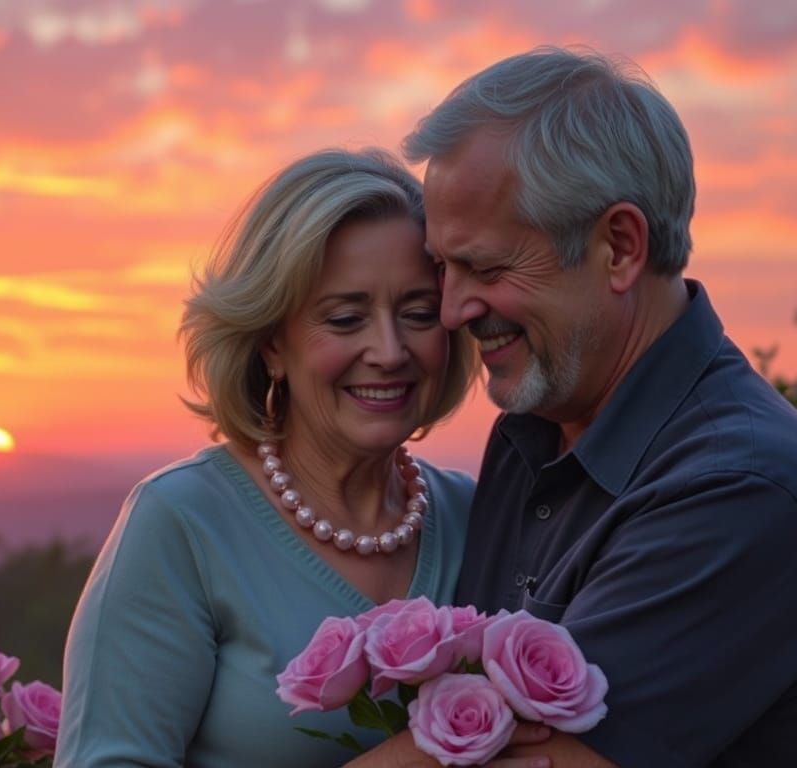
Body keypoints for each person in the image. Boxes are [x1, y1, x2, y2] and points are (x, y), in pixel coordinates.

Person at [352, 46, 797, 767]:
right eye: (443, 268)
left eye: (485, 267)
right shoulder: (534, 431)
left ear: (619, 247)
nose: (453, 310)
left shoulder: (739, 487)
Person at [55, 149, 487, 767]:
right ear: (271, 345)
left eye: (418, 314)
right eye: (346, 319)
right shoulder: (182, 523)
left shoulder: (479, 514)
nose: (390, 351)